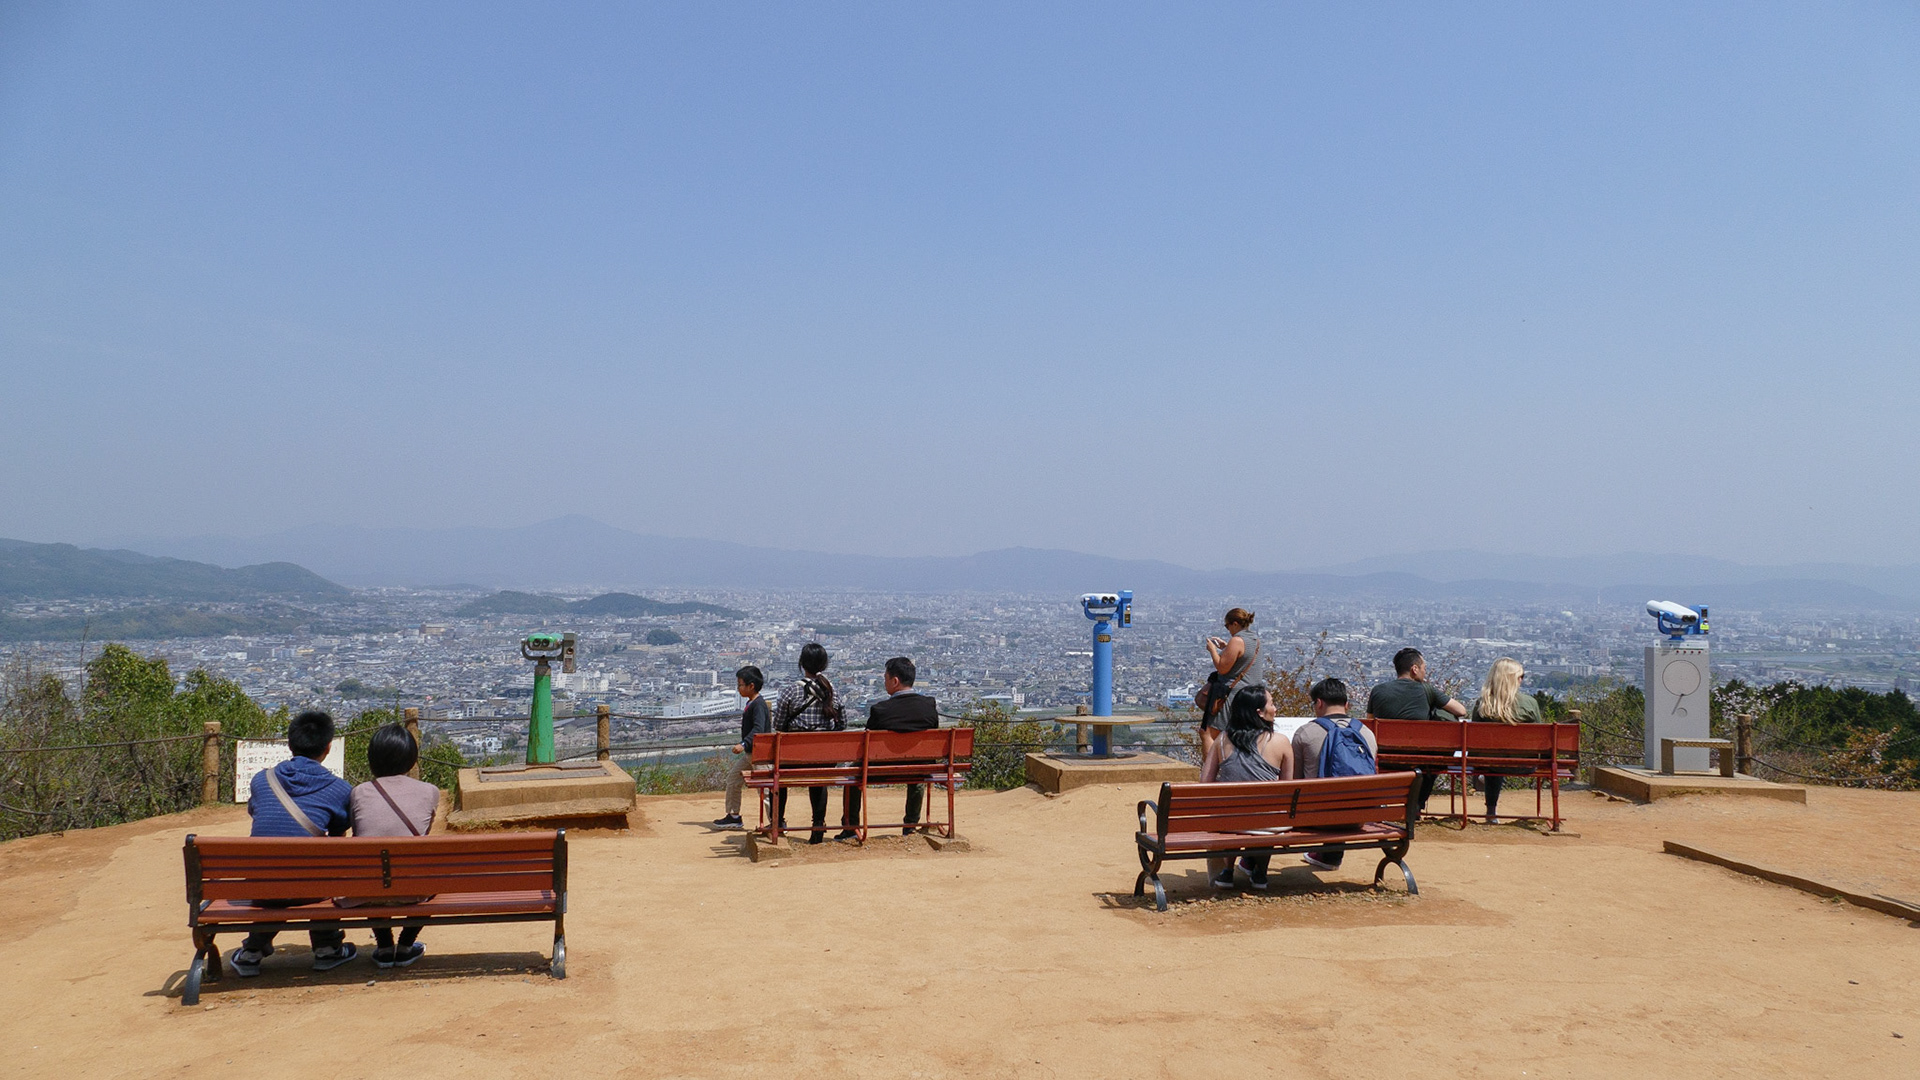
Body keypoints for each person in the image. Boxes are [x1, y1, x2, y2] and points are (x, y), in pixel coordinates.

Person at [227, 709, 355, 977]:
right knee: (326, 868)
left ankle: (253, 951)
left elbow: (258, 816)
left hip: (263, 886)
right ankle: (327, 947)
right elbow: (338, 840)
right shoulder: (340, 789)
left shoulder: (262, 781)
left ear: (289, 744)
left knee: (274, 869)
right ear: (328, 747)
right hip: (310, 889)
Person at [342, 723, 443, 967]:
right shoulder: (430, 791)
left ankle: (385, 946)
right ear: (411, 758)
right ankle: (406, 944)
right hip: (414, 890)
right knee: (434, 876)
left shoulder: (359, 792)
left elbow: (360, 834)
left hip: (367, 890)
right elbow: (423, 834)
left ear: (373, 758)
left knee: (374, 868)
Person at [1198, 684, 1292, 890]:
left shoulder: (1222, 740)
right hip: (1269, 825)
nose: (1275, 709)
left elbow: (1204, 785)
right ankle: (1260, 872)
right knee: (1268, 812)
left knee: (1229, 813)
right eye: (1272, 704)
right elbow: (1288, 789)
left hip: (1229, 823)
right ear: (1260, 712)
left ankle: (1227, 871)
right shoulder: (1281, 742)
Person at [1290, 678, 1379, 872]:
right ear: (1346, 705)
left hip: (1318, 819)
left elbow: (1293, 782)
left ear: (1319, 703)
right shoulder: (1367, 734)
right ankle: (1330, 855)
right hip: (1359, 817)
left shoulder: (1305, 733)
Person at [1365, 647, 1467, 812]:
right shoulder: (1426, 690)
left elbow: (1369, 722)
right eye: (1424, 668)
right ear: (1414, 669)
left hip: (1384, 756)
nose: (1425, 672)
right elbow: (1461, 711)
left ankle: (1384, 802)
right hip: (1418, 758)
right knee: (1434, 763)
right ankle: (1417, 804)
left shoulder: (1378, 691)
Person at [855, 656, 940, 835]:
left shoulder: (880, 710)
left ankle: (850, 826)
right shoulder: (928, 706)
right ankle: (910, 825)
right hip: (919, 768)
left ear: (895, 681)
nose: (884, 682)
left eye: (885, 678)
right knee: (918, 771)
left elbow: (866, 743)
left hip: (881, 769)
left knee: (854, 772)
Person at [773, 642, 846, 844]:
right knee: (818, 780)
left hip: (793, 760)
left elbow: (778, 725)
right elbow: (843, 724)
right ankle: (818, 825)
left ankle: (778, 823)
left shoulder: (790, 691)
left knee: (779, 775)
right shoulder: (832, 692)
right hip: (823, 760)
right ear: (824, 664)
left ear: (802, 664)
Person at [1469, 657, 1543, 825]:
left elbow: (1474, 741)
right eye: (1521, 676)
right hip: (1525, 764)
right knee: (1498, 758)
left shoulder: (1483, 705)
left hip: (1487, 763)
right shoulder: (1530, 704)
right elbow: (1540, 739)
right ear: (1513, 679)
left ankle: (1491, 811)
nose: (1522, 680)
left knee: (1494, 759)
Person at [1198, 608, 1262, 758]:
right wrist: (1226, 648)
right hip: (1252, 695)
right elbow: (1243, 657)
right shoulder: (1255, 640)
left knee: (1207, 732)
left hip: (1233, 695)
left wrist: (1212, 650)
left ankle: (1211, 770)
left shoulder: (1237, 640)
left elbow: (1222, 667)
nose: (1228, 630)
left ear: (1235, 624)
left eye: (1227, 626)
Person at [714, 665, 770, 830]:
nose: (738, 688)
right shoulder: (752, 703)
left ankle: (776, 821)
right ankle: (733, 816)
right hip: (750, 754)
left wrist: (744, 743)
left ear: (751, 686)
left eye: (740, 685)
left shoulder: (758, 705)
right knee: (733, 779)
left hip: (759, 754)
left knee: (765, 789)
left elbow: (758, 729)